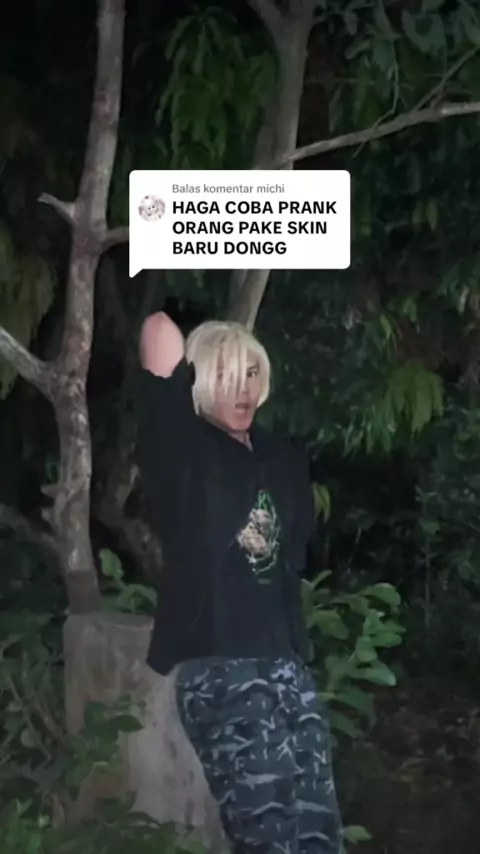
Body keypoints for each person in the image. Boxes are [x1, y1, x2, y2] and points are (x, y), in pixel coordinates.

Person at [134, 310, 342, 854]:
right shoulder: (184, 452)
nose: (243, 388)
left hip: (287, 666)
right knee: (267, 840)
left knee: (319, 835)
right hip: (223, 671)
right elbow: (158, 330)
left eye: (251, 373)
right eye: (225, 375)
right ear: (198, 381)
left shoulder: (280, 457)